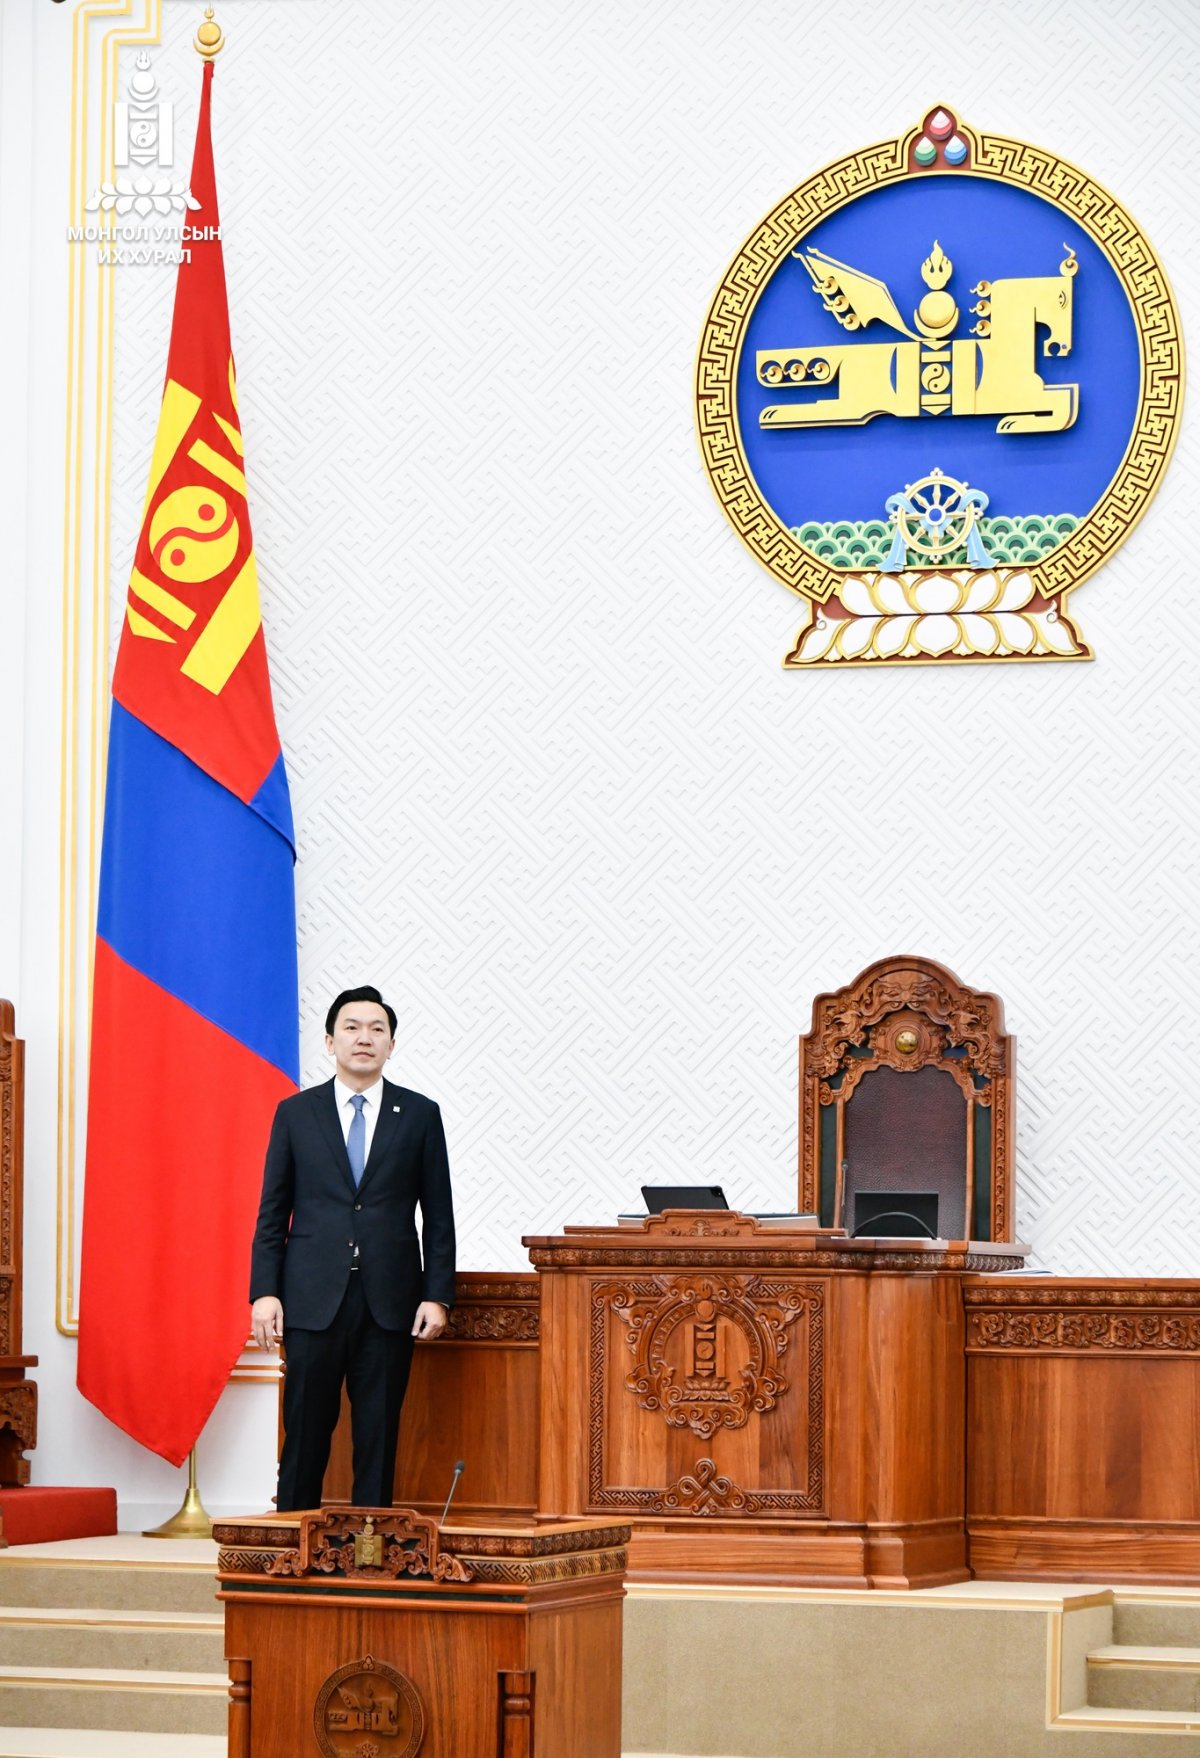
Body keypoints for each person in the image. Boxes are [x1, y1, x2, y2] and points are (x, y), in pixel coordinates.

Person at [249, 986, 456, 1510]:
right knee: (304, 1429)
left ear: (391, 1045)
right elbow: (272, 1210)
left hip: (390, 1300)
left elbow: (438, 1216)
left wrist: (437, 1295)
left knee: (378, 1433)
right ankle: (292, 1538)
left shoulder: (420, 1115)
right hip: (311, 1298)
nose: (365, 1038)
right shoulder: (296, 1113)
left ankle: (372, 1544)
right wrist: (265, 1292)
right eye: (352, 1027)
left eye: (376, 1029)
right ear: (329, 1041)